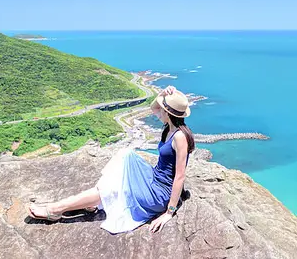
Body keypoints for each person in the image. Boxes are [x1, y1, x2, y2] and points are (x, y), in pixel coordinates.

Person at [28, 85, 196, 233]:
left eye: (162, 109)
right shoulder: (169, 128)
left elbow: (180, 176)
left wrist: (169, 212)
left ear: (167, 112)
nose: (158, 112)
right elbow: (153, 108)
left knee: (114, 188)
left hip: (159, 193)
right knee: (126, 155)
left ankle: (56, 209)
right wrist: (162, 93)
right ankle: (89, 203)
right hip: (153, 177)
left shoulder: (180, 137)